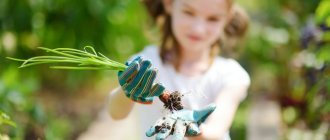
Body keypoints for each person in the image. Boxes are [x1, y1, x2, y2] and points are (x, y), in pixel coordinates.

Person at [108, 0, 250, 139]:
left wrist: (193, 128)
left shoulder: (231, 74)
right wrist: (126, 91)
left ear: (227, 18)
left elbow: (216, 130)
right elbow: (115, 113)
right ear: (169, 3)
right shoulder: (145, 63)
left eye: (213, 19)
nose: (198, 29)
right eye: (189, 12)